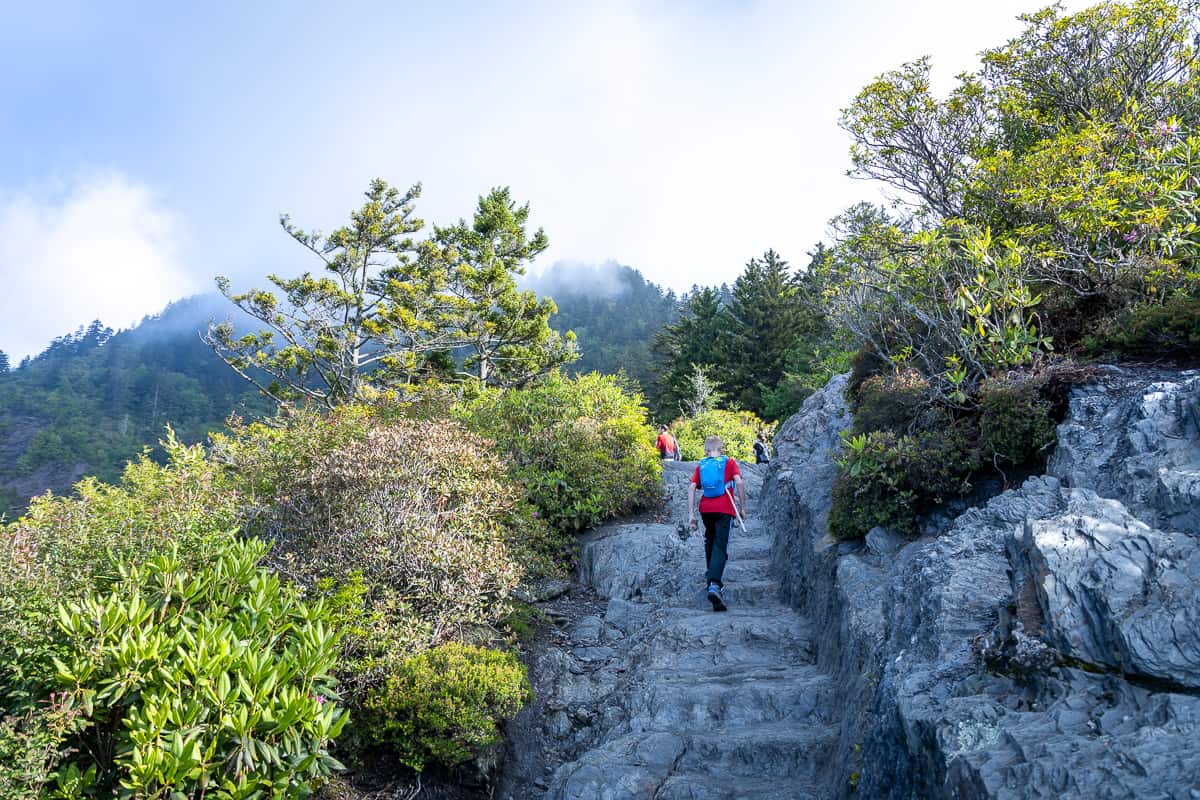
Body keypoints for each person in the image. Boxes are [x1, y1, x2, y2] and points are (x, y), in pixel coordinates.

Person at [688, 436, 746, 612]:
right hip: (725, 508)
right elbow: (739, 482)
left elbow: (692, 488)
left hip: (706, 508)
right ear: (722, 448)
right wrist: (742, 508)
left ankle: (710, 578)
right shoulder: (729, 462)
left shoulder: (702, 465)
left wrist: (691, 515)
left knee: (710, 541)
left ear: (706, 450)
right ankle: (714, 584)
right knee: (720, 545)